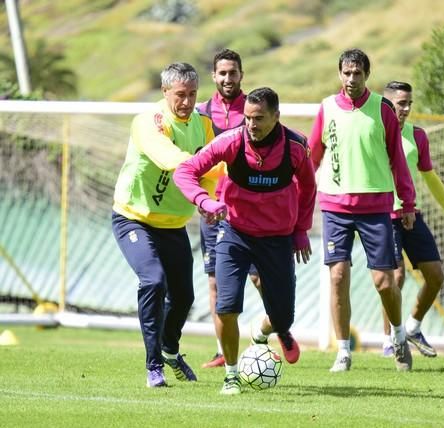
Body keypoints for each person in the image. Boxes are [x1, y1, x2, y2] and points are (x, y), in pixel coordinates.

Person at [173, 87, 316, 395]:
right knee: (226, 305)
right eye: (248, 118)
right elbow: (185, 171)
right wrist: (205, 202)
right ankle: (231, 375)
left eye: (259, 119)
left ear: (276, 116)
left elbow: (308, 187)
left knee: (283, 316)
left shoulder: (296, 148)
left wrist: (301, 229)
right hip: (234, 233)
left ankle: (265, 331)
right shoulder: (231, 141)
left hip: (277, 238)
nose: (251, 125)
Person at [307, 49, 417, 372]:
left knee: (385, 281)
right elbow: (312, 157)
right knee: (338, 276)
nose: (351, 79)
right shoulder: (327, 108)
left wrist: (407, 202)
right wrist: (299, 198)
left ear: (367, 75)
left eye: (357, 73)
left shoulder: (383, 110)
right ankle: (342, 351)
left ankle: (397, 336)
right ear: (339, 74)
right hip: (335, 207)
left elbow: (398, 160)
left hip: (375, 208)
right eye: (346, 73)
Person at [112, 62, 220, 388]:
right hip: (134, 219)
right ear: (165, 92)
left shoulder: (204, 124)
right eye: (180, 95)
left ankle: (170, 349)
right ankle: (153, 366)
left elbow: (216, 168)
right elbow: (168, 158)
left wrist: (212, 200)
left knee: (185, 298)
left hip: (173, 225)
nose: (186, 102)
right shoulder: (148, 122)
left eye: (192, 94)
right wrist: (202, 195)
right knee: (154, 282)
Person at [378, 81, 444, 358]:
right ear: (387, 104)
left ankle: (413, 327)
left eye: (409, 103)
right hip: (382, 215)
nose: (405, 109)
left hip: (411, 214)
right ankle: (389, 340)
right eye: (400, 103)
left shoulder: (417, 136)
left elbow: (429, 176)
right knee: (395, 277)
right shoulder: (375, 134)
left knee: (436, 275)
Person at [195, 48, 263, 369]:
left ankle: (269, 332)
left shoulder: (254, 111)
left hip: (249, 210)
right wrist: (200, 197)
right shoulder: (201, 113)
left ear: (241, 75)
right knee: (214, 282)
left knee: (260, 279)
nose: (227, 78)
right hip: (213, 211)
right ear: (214, 76)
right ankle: (224, 350)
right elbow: (192, 161)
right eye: (222, 73)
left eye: (232, 72)